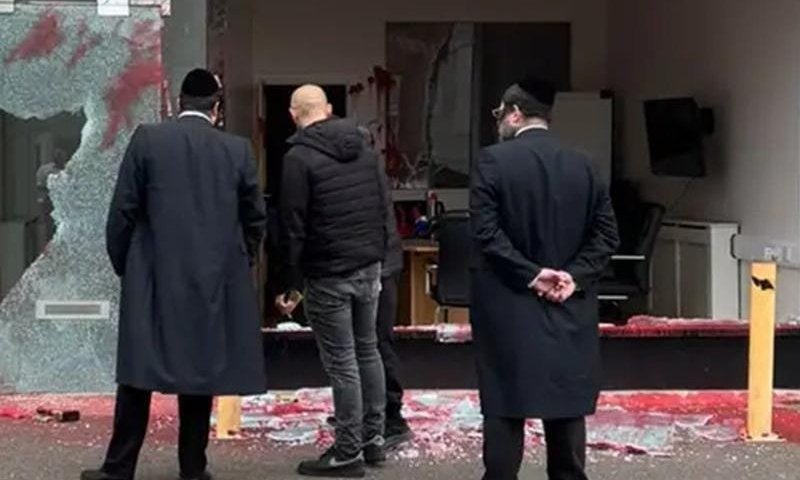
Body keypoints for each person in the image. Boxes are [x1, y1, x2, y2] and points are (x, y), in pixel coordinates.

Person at [81, 68, 267, 480]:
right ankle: (192, 467)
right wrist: (239, 264)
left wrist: (125, 265)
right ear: (216, 109)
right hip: (212, 276)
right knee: (199, 371)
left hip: (152, 273)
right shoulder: (237, 150)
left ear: (178, 103)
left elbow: (122, 211)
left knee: (138, 370)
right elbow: (255, 217)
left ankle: (119, 467)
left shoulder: (147, 140)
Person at [470, 78, 619, 480]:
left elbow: (486, 234)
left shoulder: (492, 161)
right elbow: (607, 236)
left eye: (500, 113)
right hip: (569, 303)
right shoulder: (585, 164)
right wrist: (574, 276)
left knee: (505, 402)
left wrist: (532, 275)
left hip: (507, 304)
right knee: (566, 404)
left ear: (515, 114)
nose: (498, 121)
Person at [276, 85, 388, 478]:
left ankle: (347, 451)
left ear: (293, 115)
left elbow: (292, 226)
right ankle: (374, 439)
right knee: (368, 350)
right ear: (328, 109)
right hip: (369, 265)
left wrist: (291, 283)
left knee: (343, 363)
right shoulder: (364, 148)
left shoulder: (298, 158)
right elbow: (382, 205)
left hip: (328, 272)